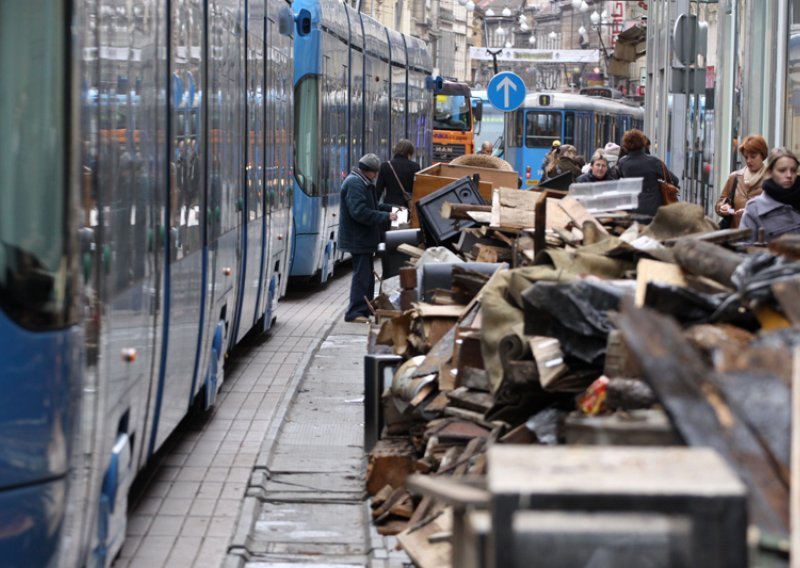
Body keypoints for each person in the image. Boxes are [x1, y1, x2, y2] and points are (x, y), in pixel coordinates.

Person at [339, 153, 397, 323]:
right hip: (358, 238)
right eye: (375, 172)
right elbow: (359, 212)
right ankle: (355, 312)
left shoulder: (362, 182)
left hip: (364, 238)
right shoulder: (355, 183)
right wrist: (385, 217)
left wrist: (390, 209)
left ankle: (365, 309)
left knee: (367, 276)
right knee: (362, 276)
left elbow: (373, 205)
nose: (376, 176)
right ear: (369, 171)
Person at [741, 146, 800, 243]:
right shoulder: (754, 209)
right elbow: (744, 249)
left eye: (793, 171)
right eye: (782, 170)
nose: (789, 175)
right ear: (770, 172)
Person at [617, 129, 679, 217]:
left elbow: (617, 182)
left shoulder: (622, 163)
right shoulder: (654, 162)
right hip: (653, 209)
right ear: (643, 143)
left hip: (632, 209)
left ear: (626, 145)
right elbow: (673, 180)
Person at [714, 134, 768, 229]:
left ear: (762, 155)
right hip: (735, 235)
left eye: (753, 156)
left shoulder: (770, 179)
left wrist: (750, 212)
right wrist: (723, 207)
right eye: (746, 157)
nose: (749, 160)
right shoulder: (735, 177)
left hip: (760, 236)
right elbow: (721, 201)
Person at [376, 139, 419, 208]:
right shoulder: (415, 167)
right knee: (404, 218)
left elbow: (378, 190)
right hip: (406, 206)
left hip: (389, 206)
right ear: (409, 153)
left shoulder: (385, 166)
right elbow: (417, 190)